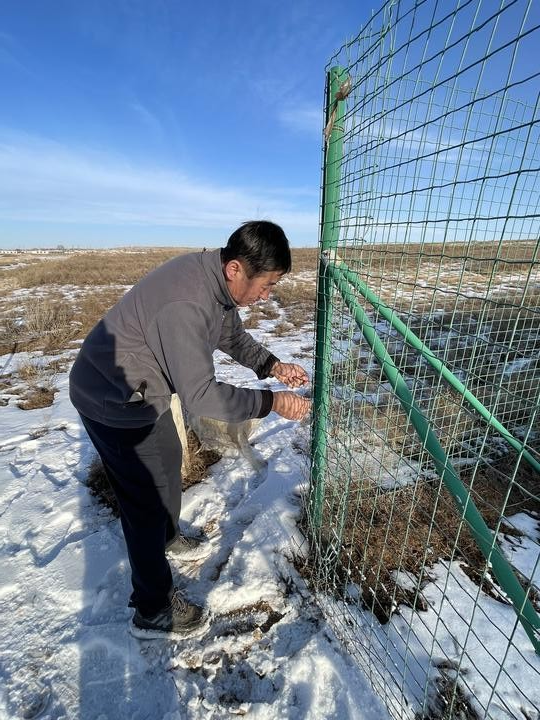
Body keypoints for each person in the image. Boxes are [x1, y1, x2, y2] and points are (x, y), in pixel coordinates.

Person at [69, 220, 311, 640]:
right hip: (111, 398)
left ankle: (166, 537)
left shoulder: (216, 282)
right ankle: (153, 610)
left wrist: (272, 365)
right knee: (143, 502)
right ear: (235, 269)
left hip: (141, 391)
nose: (267, 295)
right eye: (267, 285)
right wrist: (272, 402)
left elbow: (232, 336)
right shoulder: (188, 302)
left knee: (166, 459)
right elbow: (200, 396)